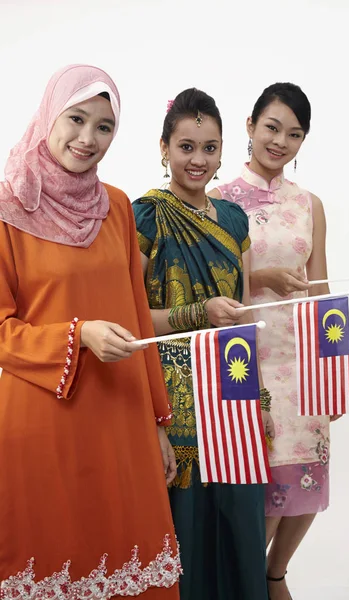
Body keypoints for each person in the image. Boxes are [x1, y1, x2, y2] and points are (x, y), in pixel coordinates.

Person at [0, 64, 180, 599]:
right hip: (44, 418)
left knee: (129, 551)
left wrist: (158, 420)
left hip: (121, 417)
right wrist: (77, 337)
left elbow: (137, 314)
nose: (88, 139)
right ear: (49, 115)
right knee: (53, 553)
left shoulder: (117, 207)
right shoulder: (7, 209)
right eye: (76, 119)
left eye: (104, 127)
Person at [133, 88, 274, 600]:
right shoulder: (145, 217)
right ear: (165, 146)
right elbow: (131, 319)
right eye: (186, 146)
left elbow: (242, 313)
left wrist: (260, 398)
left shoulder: (235, 221)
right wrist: (197, 313)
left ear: (222, 150)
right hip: (176, 398)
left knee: (240, 526)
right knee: (185, 533)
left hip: (233, 391)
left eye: (210, 148)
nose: (198, 159)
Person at [212, 82, 339, 600]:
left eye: (294, 133)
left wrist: (334, 369)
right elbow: (217, 291)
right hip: (249, 363)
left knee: (308, 482)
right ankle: (243, 584)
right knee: (261, 490)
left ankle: (274, 574)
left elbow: (324, 288)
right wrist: (260, 275)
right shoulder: (218, 201)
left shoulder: (310, 205)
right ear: (249, 126)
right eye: (272, 127)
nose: (280, 141)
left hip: (304, 363)